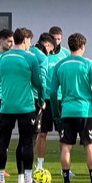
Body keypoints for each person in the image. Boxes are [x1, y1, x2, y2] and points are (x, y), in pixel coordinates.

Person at [51, 33, 92, 183]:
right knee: (89, 146)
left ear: (69, 46)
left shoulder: (60, 65)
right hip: (84, 112)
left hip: (67, 112)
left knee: (66, 147)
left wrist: (56, 114)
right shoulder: (89, 64)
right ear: (82, 46)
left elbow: (53, 92)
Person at [0, 28, 47, 183]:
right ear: (25, 40)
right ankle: (27, 181)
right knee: (26, 143)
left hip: (6, 107)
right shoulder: (30, 58)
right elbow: (39, 83)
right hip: (25, 107)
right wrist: (41, 100)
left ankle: (0, 181)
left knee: (3, 143)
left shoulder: (3, 58)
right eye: (29, 41)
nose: (30, 44)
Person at [32, 32, 56, 172]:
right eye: (50, 49)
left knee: (63, 135)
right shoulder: (40, 56)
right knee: (39, 133)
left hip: (57, 98)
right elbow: (41, 82)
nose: (51, 52)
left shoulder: (64, 54)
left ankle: (64, 167)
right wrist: (41, 100)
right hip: (41, 98)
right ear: (47, 45)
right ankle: (38, 166)